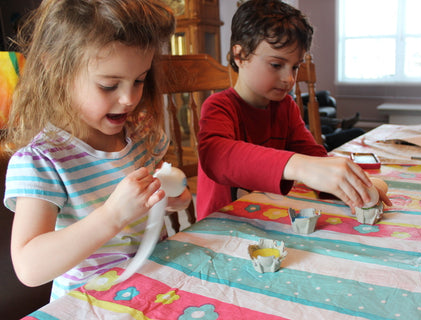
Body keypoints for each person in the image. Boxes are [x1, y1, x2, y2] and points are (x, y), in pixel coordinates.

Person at [3, 0, 191, 300]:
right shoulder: (43, 161)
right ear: (58, 69)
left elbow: (147, 211)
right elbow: (29, 266)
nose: (129, 98)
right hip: (91, 304)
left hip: (154, 291)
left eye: (139, 80)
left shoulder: (138, 135)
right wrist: (112, 215)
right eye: (108, 85)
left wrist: (169, 199)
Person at [196, 0, 390, 220]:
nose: (289, 78)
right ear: (240, 56)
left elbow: (313, 156)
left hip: (265, 220)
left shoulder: (285, 107)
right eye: (276, 65)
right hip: (220, 229)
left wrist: (347, 185)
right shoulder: (219, 106)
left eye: (295, 66)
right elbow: (216, 156)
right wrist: (299, 166)